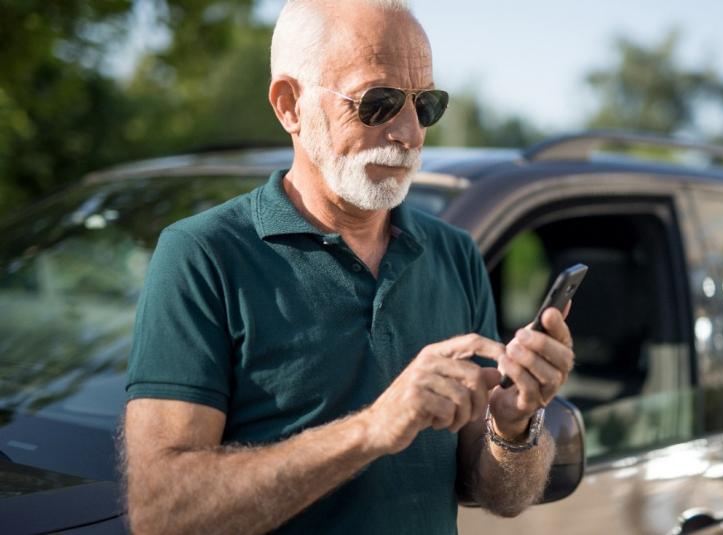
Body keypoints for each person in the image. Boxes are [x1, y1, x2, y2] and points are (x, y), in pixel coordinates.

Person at [122, 0, 575, 533]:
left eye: (426, 105)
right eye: (378, 102)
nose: (410, 132)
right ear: (290, 105)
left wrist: (514, 427)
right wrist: (373, 428)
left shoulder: (454, 253)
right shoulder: (203, 255)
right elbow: (162, 513)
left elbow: (500, 496)